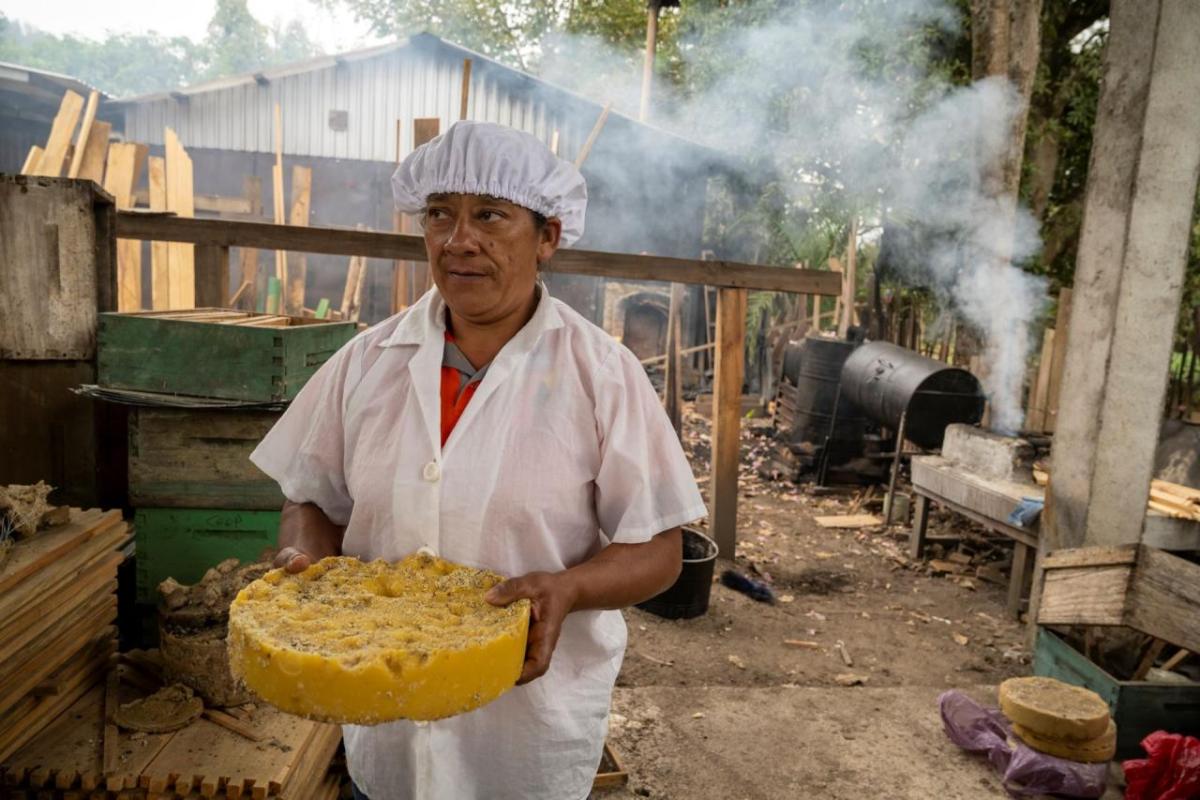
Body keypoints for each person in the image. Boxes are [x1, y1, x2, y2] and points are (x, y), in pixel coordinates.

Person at [250, 121, 707, 800]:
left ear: (547, 236)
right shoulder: (366, 363)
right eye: (440, 214)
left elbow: (661, 547)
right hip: (387, 734)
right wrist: (306, 563)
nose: (458, 239)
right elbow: (312, 496)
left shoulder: (601, 375)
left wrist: (570, 588)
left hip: (527, 739)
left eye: (490, 215)